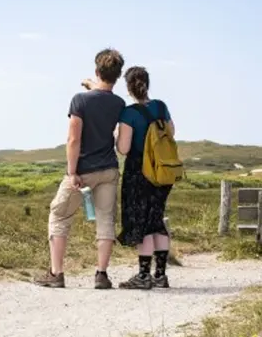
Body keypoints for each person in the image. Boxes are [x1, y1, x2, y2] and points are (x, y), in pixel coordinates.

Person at [35, 48, 126, 289]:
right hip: (108, 169)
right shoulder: (119, 103)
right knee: (106, 220)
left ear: (97, 71)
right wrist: (92, 84)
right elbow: (103, 99)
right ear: (117, 76)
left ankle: (56, 273)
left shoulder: (79, 100)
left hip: (83, 169)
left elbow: (73, 139)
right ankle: (101, 274)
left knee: (59, 215)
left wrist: (72, 171)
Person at [114, 66, 175, 289]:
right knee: (156, 220)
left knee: (143, 224)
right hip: (162, 171)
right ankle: (160, 275)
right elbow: (172, 132)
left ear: (128, 87)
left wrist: (116, 137)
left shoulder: (129, 113)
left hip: (139, 172)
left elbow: (123, 148)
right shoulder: (161, 106)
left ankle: (143, 275)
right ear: (147, 84)